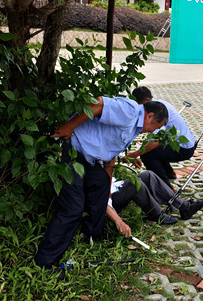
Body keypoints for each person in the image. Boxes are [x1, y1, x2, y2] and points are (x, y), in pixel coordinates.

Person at [34, 97, 169, 269]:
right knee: (72, 209)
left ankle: (89, 236)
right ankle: (44, 263)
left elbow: (110, 151)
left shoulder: (135, 127)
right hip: (70, 150)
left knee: (102, 185)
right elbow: (96, 104)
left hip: (87, 160)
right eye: (154, 128)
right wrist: (69, 126)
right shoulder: (130, 112)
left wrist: (107, 183)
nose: (151, 132)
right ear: (149, 116)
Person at [126, 86, 195, 188]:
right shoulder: (158, 103)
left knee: (147, 154)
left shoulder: (157, 113)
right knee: (153, 148)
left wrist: (134, 154)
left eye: (139, 107)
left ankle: (165, 188)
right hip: (185, 141)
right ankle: (169, 173)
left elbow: (155, 142)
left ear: (147, 100)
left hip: (184, 147)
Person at [107, 170, 203, 229]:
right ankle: (156, 215)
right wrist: (118, 221)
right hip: (107, 201)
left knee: (147, 175)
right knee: (135, 184)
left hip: (113, 186)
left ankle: (184, 207)